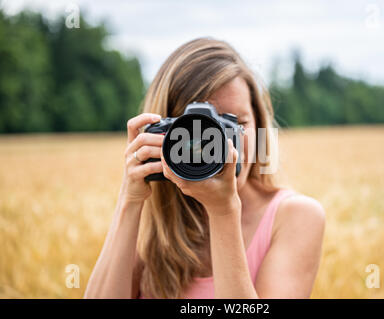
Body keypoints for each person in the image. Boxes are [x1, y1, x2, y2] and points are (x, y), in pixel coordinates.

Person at [84, 37, 325, 299]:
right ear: (163, 133)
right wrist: (129, 201)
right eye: (199, 129)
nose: (223, 145)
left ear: (260, 126)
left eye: (235, 123)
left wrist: (223, 212)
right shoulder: (151, 219)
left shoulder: (295, 217)